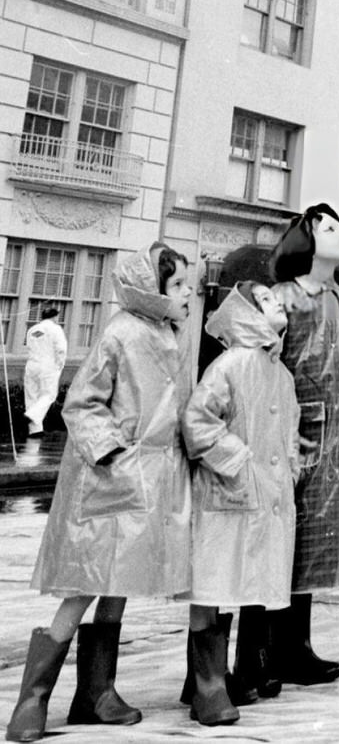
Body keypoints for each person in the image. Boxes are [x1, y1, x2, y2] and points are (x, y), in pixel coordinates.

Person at [6, 244, 193, 744]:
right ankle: (33, 700)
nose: (187, 294)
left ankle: (96, 692)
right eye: (177, 286)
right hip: (110, 478)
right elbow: (83, 402)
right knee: (85, 584)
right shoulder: (122, 332)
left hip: (146, 478)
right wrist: (112, 454)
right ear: (151, 291)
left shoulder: (167, 335)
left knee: (119, 579)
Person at [180, 278, 299, 726]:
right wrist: (239, 459)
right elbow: (198, 422)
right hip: (227, 491)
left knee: (238, 579)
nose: (278, 304)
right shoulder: (231, 364)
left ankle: (205, 679)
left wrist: (288, 468)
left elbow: (287, 432)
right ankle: (207, 685)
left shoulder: (280, 373)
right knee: (211, 581)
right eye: (266, 300)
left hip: (261, 496)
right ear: (247, 312)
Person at [266, 204, 339, 684]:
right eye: (329, 227)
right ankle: (267, 651)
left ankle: (296, 645)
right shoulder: (282, 298)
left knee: (317, 542)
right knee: (284, 540)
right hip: (296, 433)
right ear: (305, 241)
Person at [23, 302, 67, 438]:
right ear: (55, 317)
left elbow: (29, 346)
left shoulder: (32, 329)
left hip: (32, 364)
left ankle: (35, 430)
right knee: (49, 395)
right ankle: (32, 415)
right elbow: (61, 349)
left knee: (32, 396)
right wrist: (59, 365)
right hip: (48, 365)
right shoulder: (55, 329)